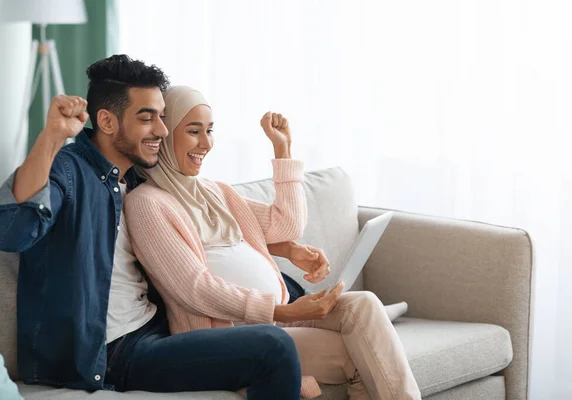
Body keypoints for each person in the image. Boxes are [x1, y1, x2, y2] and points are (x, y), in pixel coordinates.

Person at [0, 55, 303, 400]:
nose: (163, 131)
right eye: (147, 118)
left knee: (293, 291)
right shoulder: (69, 172)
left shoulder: (142, 179)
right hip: (111, 353)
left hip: (157, 328)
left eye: (162, 117)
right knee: (272, 346)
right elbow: (11, 233)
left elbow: (226, 221)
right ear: (107, 121)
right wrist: (51, 138)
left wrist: (284, 248)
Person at [125, 86, 423, 400]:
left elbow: (286, 224)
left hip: (281, 314)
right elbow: (194, 289)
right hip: (237, 335)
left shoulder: (214, 192)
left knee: (364, 305)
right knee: (360, 351)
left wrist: (283, 150)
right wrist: (283, 313)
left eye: (210, 131)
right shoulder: (148, 203)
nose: (206, 143)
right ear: (166, 134)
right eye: (194, 131)